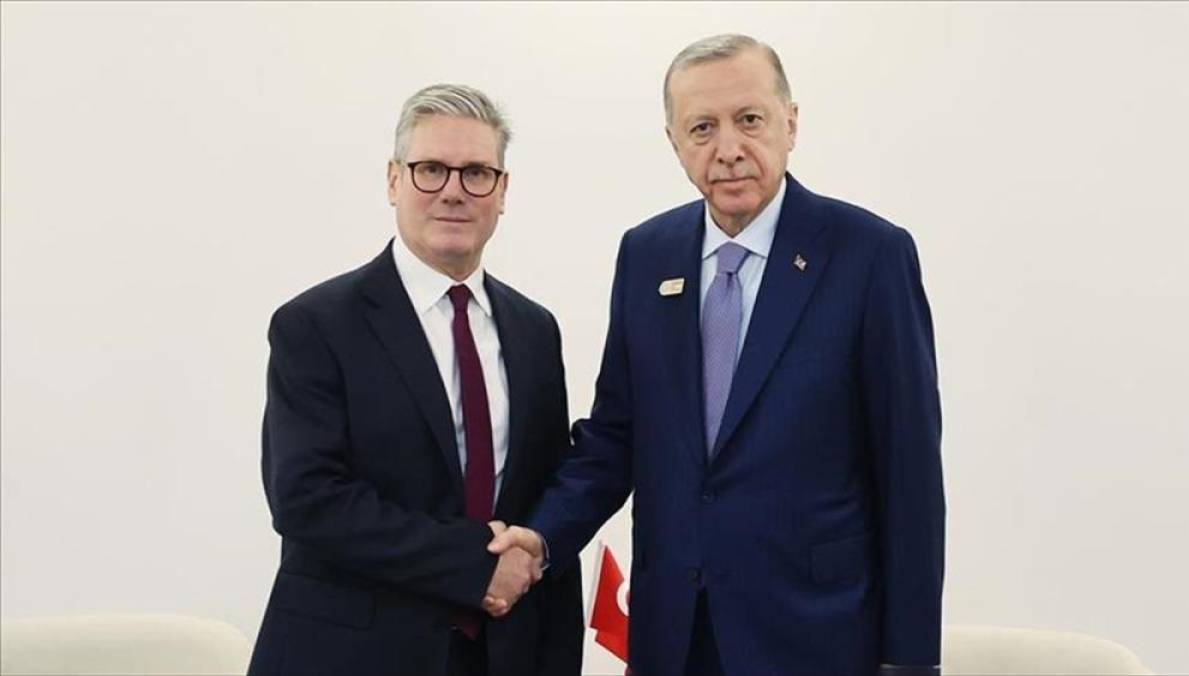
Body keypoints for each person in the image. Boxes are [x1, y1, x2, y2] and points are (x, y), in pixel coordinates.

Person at [489, 34, 944, 676]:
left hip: (817, 638)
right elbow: (616, 437)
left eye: (749, 119)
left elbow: (909, 472)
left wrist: (912, 662)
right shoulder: (647, 254)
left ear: (791, 123)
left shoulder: (870, 255)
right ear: (674, 142)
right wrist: (540, 538)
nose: (728, 149)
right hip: (675, 636)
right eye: (702, 128)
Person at [248, 84, 583, 676]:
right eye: (431, 170)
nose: (453, 191)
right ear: (393, 180)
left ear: (502, 190)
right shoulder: (316, 325)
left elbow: (540, 490)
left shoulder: (535, 330)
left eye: (476, 173)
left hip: (505, 653)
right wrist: (474, 565)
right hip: (355, 656)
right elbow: (307, 499)